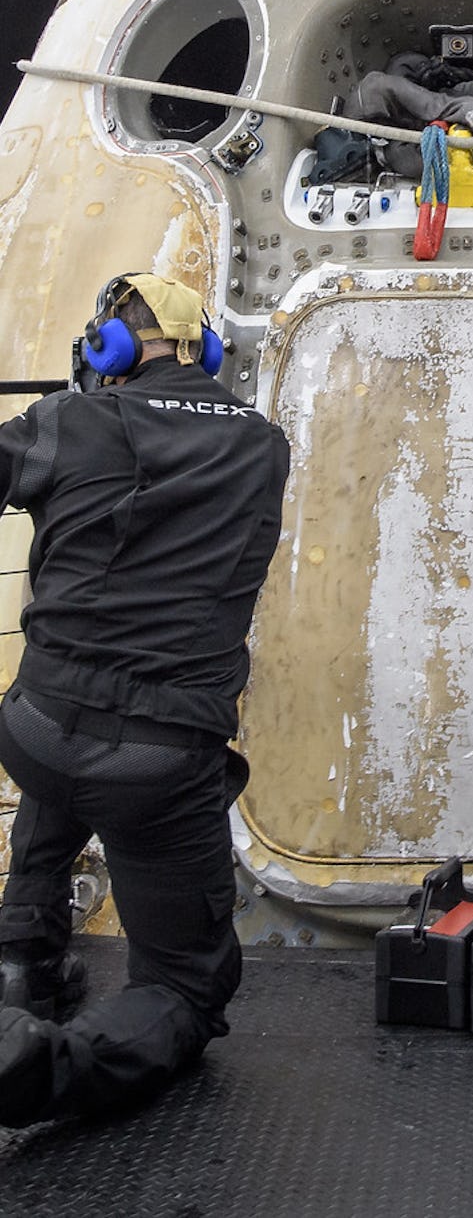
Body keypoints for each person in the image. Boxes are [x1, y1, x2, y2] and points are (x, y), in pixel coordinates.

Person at [0, 272, 289, 1125]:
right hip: (157, 757)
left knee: (63, 759)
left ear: (107, 348)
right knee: (186, 992)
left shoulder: (69, 421)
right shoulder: (264, 443)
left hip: (36, 725)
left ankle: (22, 967)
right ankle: (29, 1067)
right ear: (205, 350)